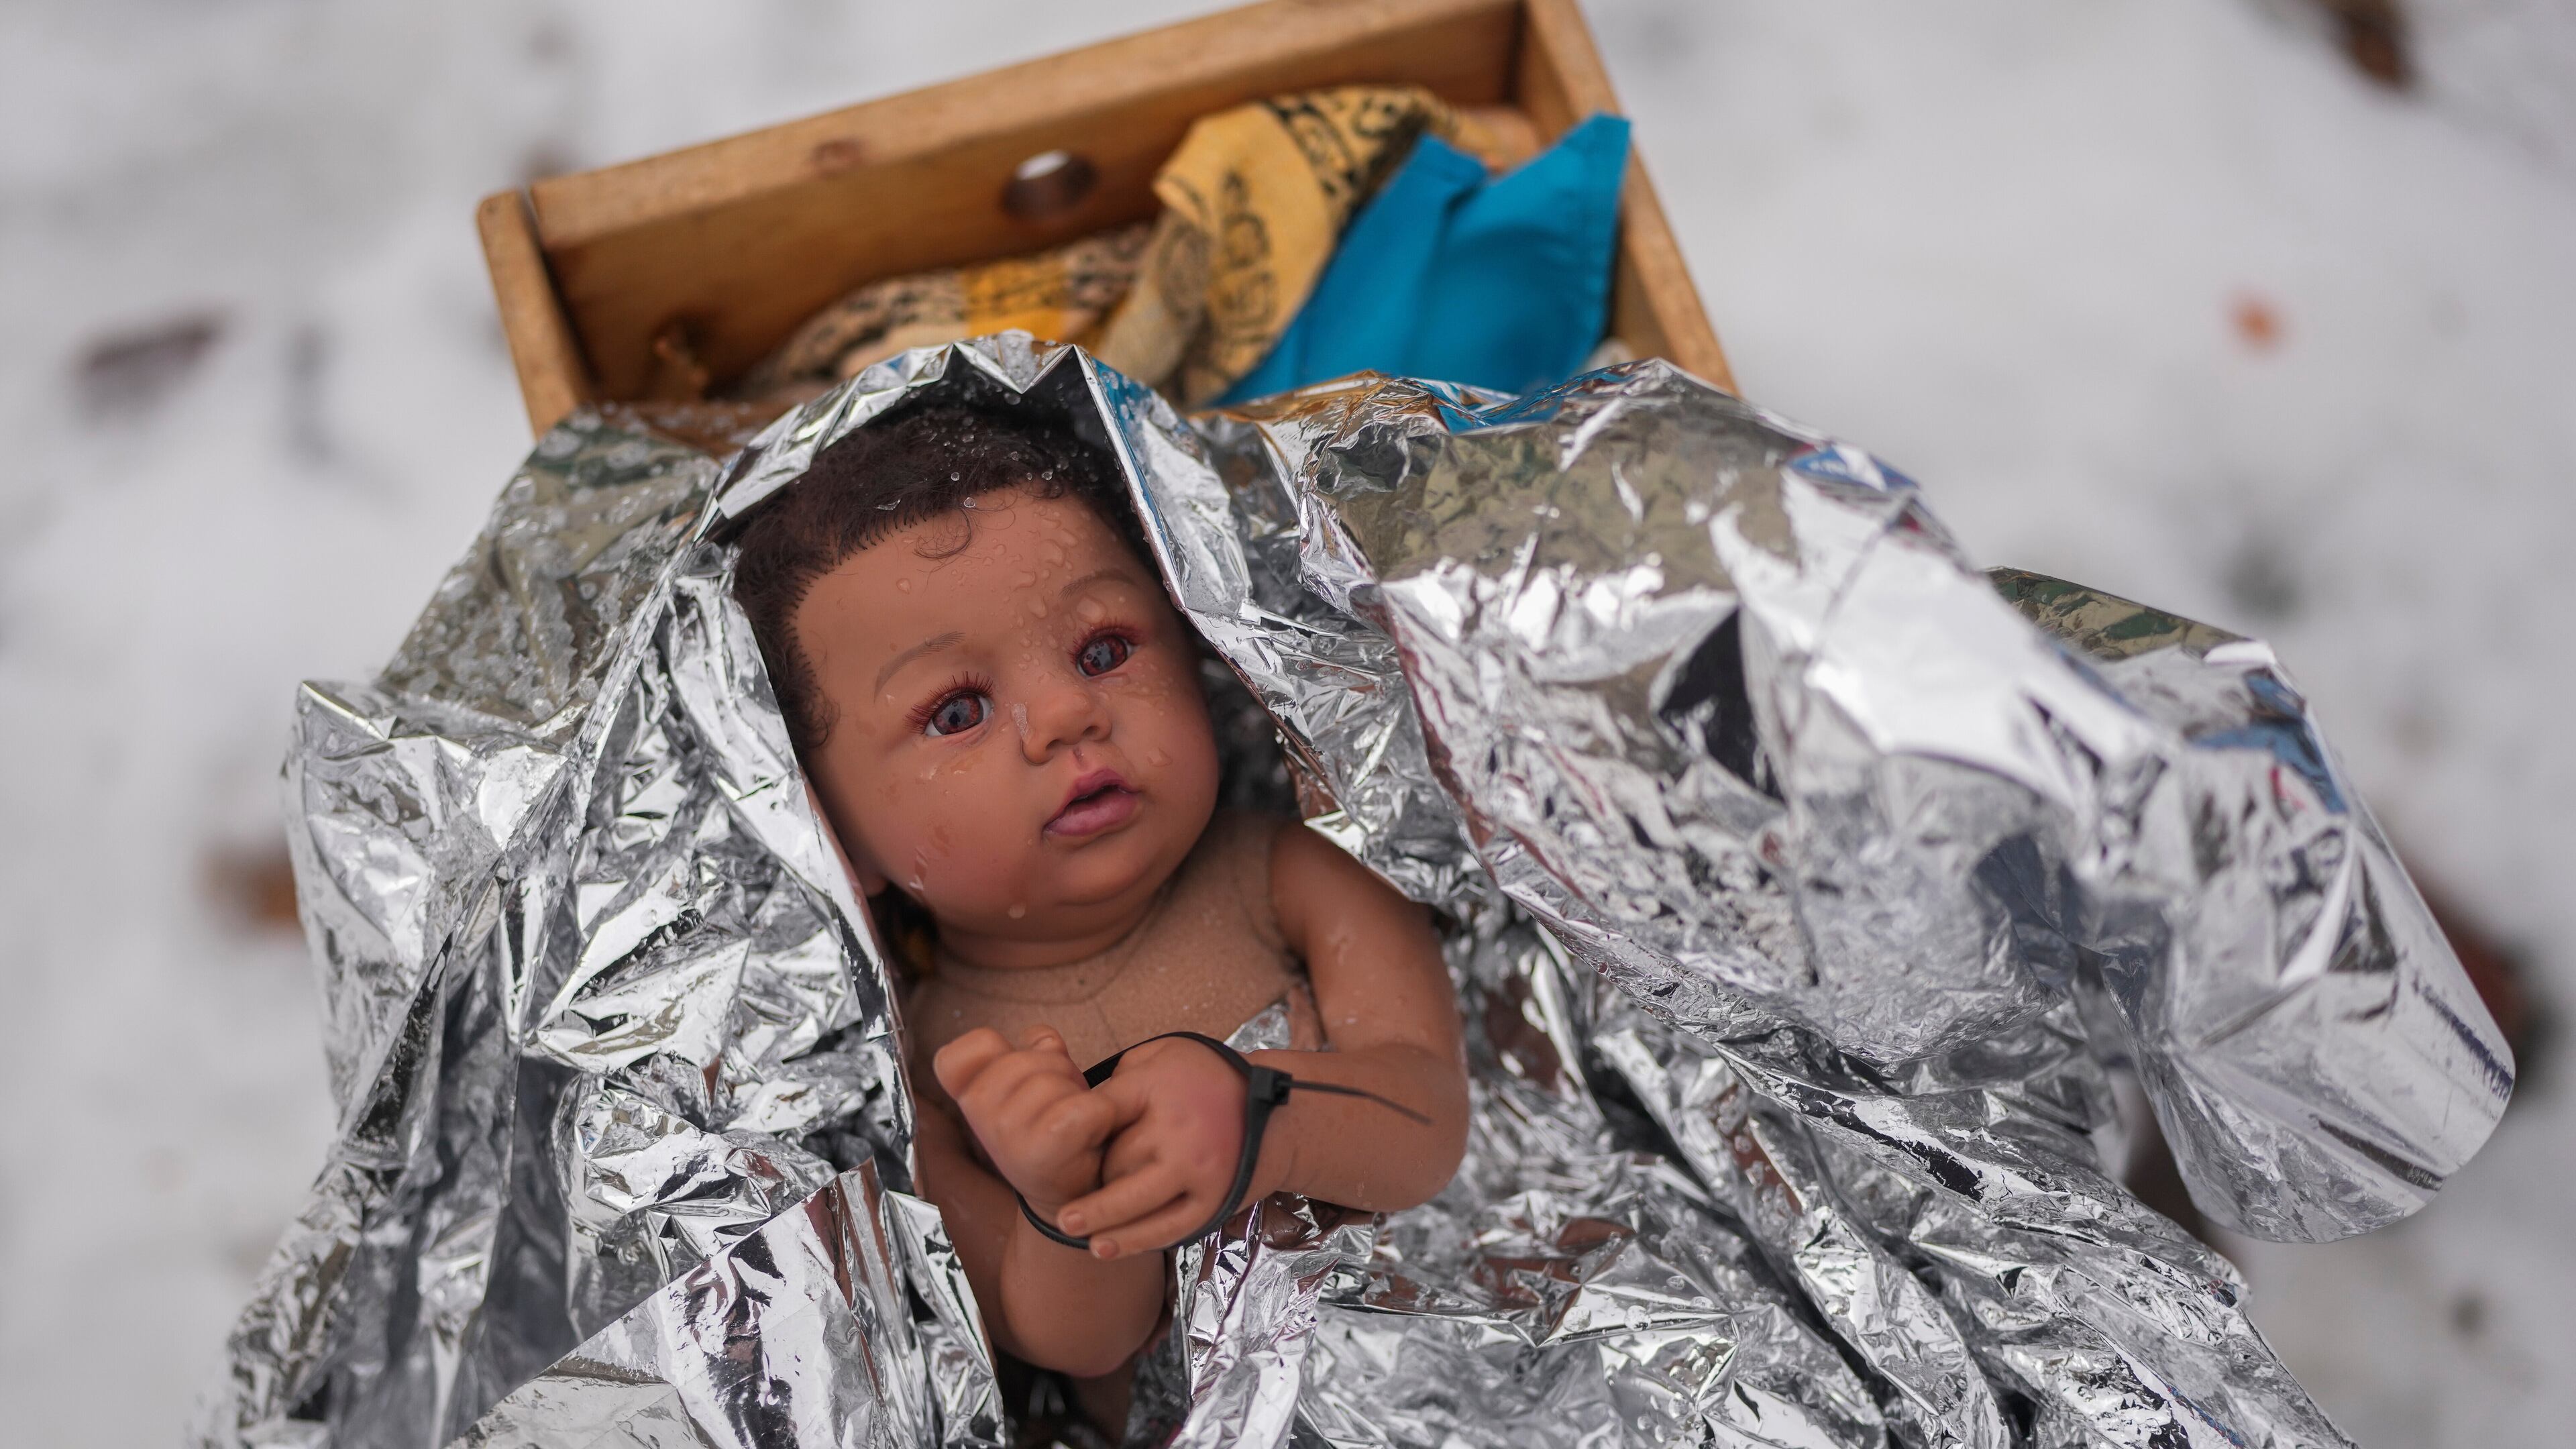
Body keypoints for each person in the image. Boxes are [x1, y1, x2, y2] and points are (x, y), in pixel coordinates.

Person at [733, 401, 1469, 1434]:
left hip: (1423, 1375)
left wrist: (1267, 1119)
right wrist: (1061, 1208)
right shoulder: (936, 1070)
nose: (1067, 713)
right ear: (836, 840)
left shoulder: (1285, 875)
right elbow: (1083, 1345)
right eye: (957, 710)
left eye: (1104, 649)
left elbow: (1430, 1121)